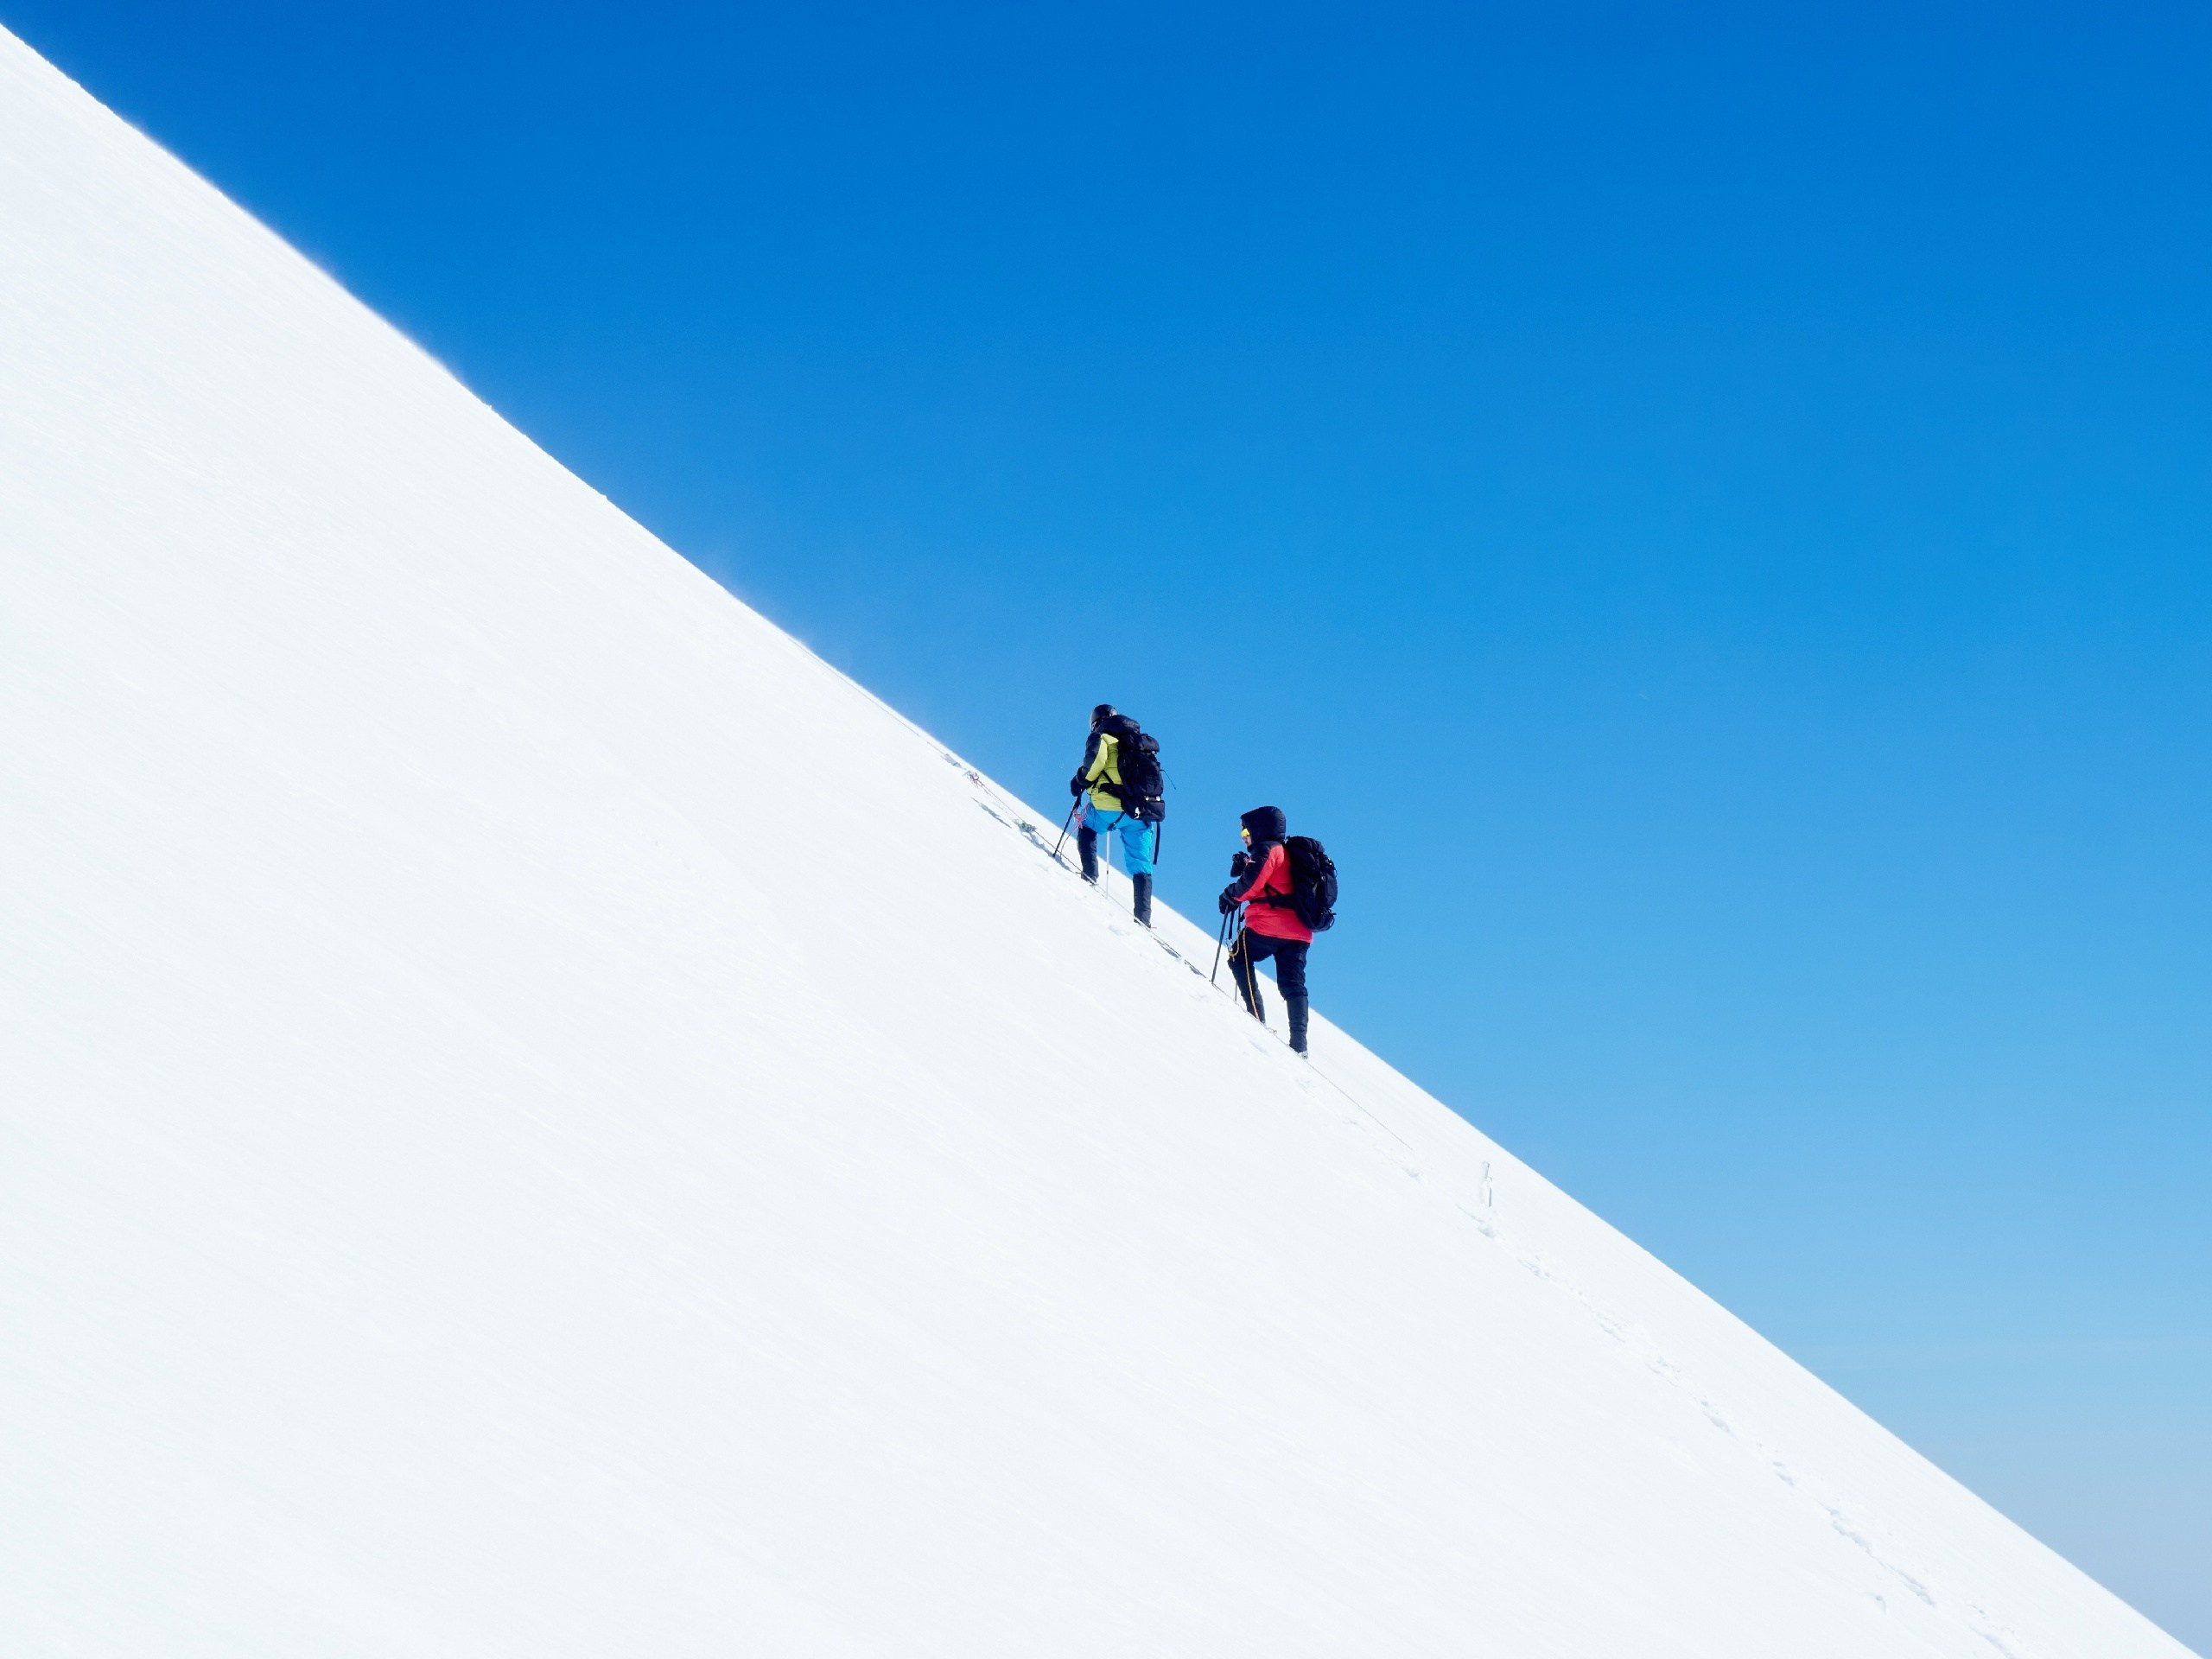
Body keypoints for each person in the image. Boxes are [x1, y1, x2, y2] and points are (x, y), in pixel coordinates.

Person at [1217, 804, 1313, 1054]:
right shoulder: (1289, 853)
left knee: (1239, 957)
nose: (1244, 836)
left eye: (1246, 831)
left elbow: (1252, 885)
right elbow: (1276, 880)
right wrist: (1247, 864)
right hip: (1300, 932)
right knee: (1293, 985)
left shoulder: (1267, 849)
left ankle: (1256, 1018)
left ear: (1259, 829)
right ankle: (1299, 1045)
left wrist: (1230, 895)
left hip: (1268, 926)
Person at [1070, 703, 1160, 926]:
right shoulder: (1139, 742)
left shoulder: (1102, 737)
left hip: (1107, 806)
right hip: (1139, 811)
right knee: (1141, 862)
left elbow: (1094, 765)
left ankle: (1089, 876)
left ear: (1096, 722)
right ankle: (1143, 918)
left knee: (1086, 825)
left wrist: (1079, 780)